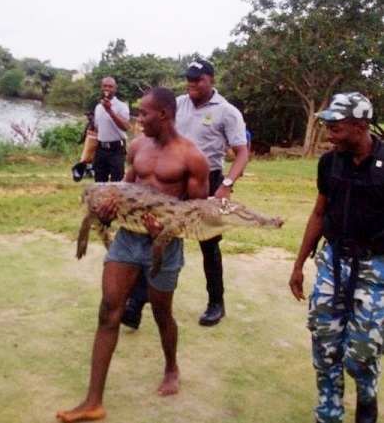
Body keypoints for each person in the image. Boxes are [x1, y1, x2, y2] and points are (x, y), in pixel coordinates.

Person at [56, 87, 210, 422]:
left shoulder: (192, 156)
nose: (138, 120)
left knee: (161, 313)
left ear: (165, 115)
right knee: (109, 310)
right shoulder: (137, 148)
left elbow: (198, 213)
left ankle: (171, 368)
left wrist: (166, 231)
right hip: (127, 241)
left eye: (144, 114)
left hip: (164, 246)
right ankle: (93, 401)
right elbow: (123, 190)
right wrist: (109, 211)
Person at [122, 58, 249, 328]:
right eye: (188, 79)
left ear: (211, 80)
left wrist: (226, 184)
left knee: (208, 243)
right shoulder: (176, 104)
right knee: (156, 234)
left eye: (198, 79)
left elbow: (242, 152)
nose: (191, 84)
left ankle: (216, 302)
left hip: (208, 178)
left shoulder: (227, 112)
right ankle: (135, 304)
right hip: (171, 177)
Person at [288, 92, 384, 423]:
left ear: (359, 127)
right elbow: (319, 213)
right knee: (325, 341)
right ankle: (328, 411)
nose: (329, 135)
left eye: (336, 128)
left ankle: (367, 393)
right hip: (333, 260)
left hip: (376, 266)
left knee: (361, 352)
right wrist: (299, 264)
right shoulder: (330, 162)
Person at [93, 76, 130, 182]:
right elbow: (97, 129)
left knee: (117, 183)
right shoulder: (98, 107)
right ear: (101, 87)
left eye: (110, 86)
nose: (107, 89)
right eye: (105, 86)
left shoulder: (122, 106)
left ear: (115, 89)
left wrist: (110, 111)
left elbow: (125, 127)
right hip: (101, 149)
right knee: (99, 182)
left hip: (116, 150)